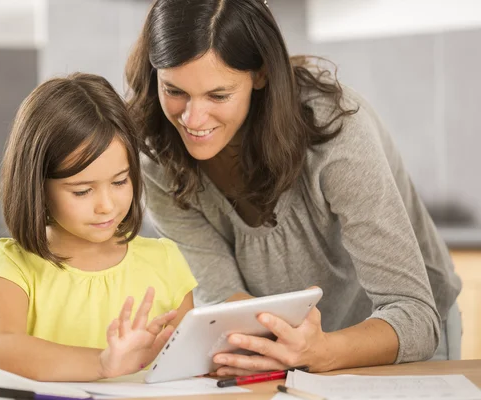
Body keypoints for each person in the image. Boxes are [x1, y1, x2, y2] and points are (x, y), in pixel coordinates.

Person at [125, 0, 462, 375]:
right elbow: (224, 299)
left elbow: (415, 315)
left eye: (218, 96)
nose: (192, 118)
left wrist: (321, 350)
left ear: (261, 74)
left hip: (397, 335)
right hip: (296, 351)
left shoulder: (334, 131)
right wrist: (268, 350)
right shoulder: (156, 159)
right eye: (175, 91)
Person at [0, 72, 197, 382]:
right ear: (37, 185)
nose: (106, 205)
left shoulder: (165, 261)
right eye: (82, 190)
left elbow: (191, 362)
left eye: (120, 181)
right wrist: (103, 364)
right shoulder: (13, 264)